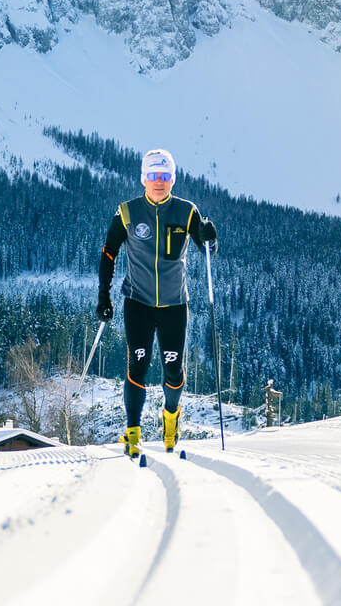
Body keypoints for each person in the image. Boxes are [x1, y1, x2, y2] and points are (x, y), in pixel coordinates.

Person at [96, 148, 217, 458]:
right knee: (137, 366)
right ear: (143, 179)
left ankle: (170, 417)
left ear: (172, 179)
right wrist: (104, 296)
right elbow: (108, 253)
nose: (158, 182)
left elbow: (207, 250)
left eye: (164, 176)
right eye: (153, 176)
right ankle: (132, 432)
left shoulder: (186, 211)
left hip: (175, 305)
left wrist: (209, 237)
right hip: (138, 303)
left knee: (173, 370)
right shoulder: (127, 212)